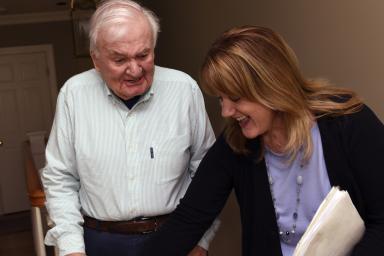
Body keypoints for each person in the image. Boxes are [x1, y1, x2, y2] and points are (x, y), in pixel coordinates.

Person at [139, 25, 384, 255]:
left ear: (271, 85)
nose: (225, 112)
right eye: (221, 99)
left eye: (235, 97)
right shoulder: (235, 144)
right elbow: (189, 220)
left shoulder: (350, 123)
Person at [40, 0, 220, 255]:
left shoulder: (185, 90)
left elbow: (208, 173)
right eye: (119, 59)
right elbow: (60, 178)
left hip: (177, 237)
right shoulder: (74, 95)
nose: (135, 70)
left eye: (143, 55)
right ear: (96, 60)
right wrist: (71, 248)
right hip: (100, 242)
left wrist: (201, 239)